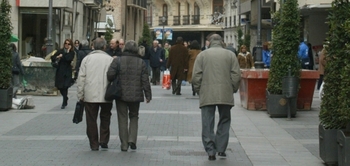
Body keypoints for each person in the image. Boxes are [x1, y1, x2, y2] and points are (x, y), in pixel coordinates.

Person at [192, 34, 241, 161]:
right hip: (225, 92)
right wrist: (233, 89)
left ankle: (210, 151)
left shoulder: (202, 55)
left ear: (209, 42)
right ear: (221, 42)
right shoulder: (230, 55)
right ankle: (221, 147)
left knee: (207, 122)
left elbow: (196, 75)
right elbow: (236, 75)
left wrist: (199, 90)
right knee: (224, 119)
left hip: (207, 92)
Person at [107, 40, 152, 152]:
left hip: (120, 93)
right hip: (135, 95)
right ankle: (132, 139)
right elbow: (145, 80)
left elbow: (110, 75)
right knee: (134, 116)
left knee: (122, 118)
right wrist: (148, 94)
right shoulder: (141, 62)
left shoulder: (118, 60)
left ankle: (124, 144)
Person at [77, 38, 114, 151]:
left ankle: (94, 143)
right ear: (104, 47)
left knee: (91, 119)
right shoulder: (110, 59)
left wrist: (80, 94)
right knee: (106, 117)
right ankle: (104, 140)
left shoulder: (87, 59)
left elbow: (81, 78)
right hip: (106, 93)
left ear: (93, 46)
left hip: (90, 93)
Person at [51, 39, 75, 109]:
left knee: (65, 87)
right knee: (60, 87)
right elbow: (52, 57)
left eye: (68, 44)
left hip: (67, 71)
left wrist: (66, 53)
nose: (67, 45)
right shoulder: (60, 51)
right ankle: (66, 97)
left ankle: (64, 102)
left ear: (71, 45)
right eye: (66, 43)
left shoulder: (72, 52)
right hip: (60, 70)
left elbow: (68, 59)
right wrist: (58, 56)